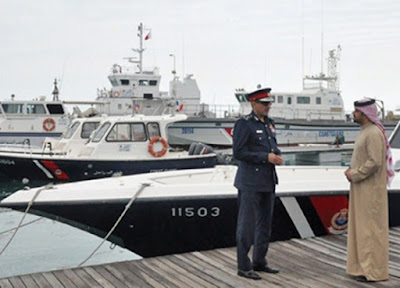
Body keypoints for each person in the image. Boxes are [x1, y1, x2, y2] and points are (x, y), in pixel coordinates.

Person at [233, 87, 283, 280]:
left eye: (269, 103)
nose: (267, 106)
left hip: (267, 180)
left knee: (265, 224)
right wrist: (265, 157)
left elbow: (271, 145)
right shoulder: (244, 124)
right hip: (250, 182)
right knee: (246, 226)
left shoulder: (269, 123)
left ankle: (259, 261)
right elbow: (239, 153)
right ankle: (243, 266)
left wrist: (276, 154)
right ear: (253, 104)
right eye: (264, 103)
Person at [344, 98, 394, 282]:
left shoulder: (373, 133)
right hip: (361, 188)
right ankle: (361, 268)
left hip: (370, 190)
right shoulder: (366, 131)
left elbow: (374, 162)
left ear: (364, 114)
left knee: (370, 231)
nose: (353, 114)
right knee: (361, 230)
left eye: (356, 111)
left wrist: (354, 173)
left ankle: (372, 271)